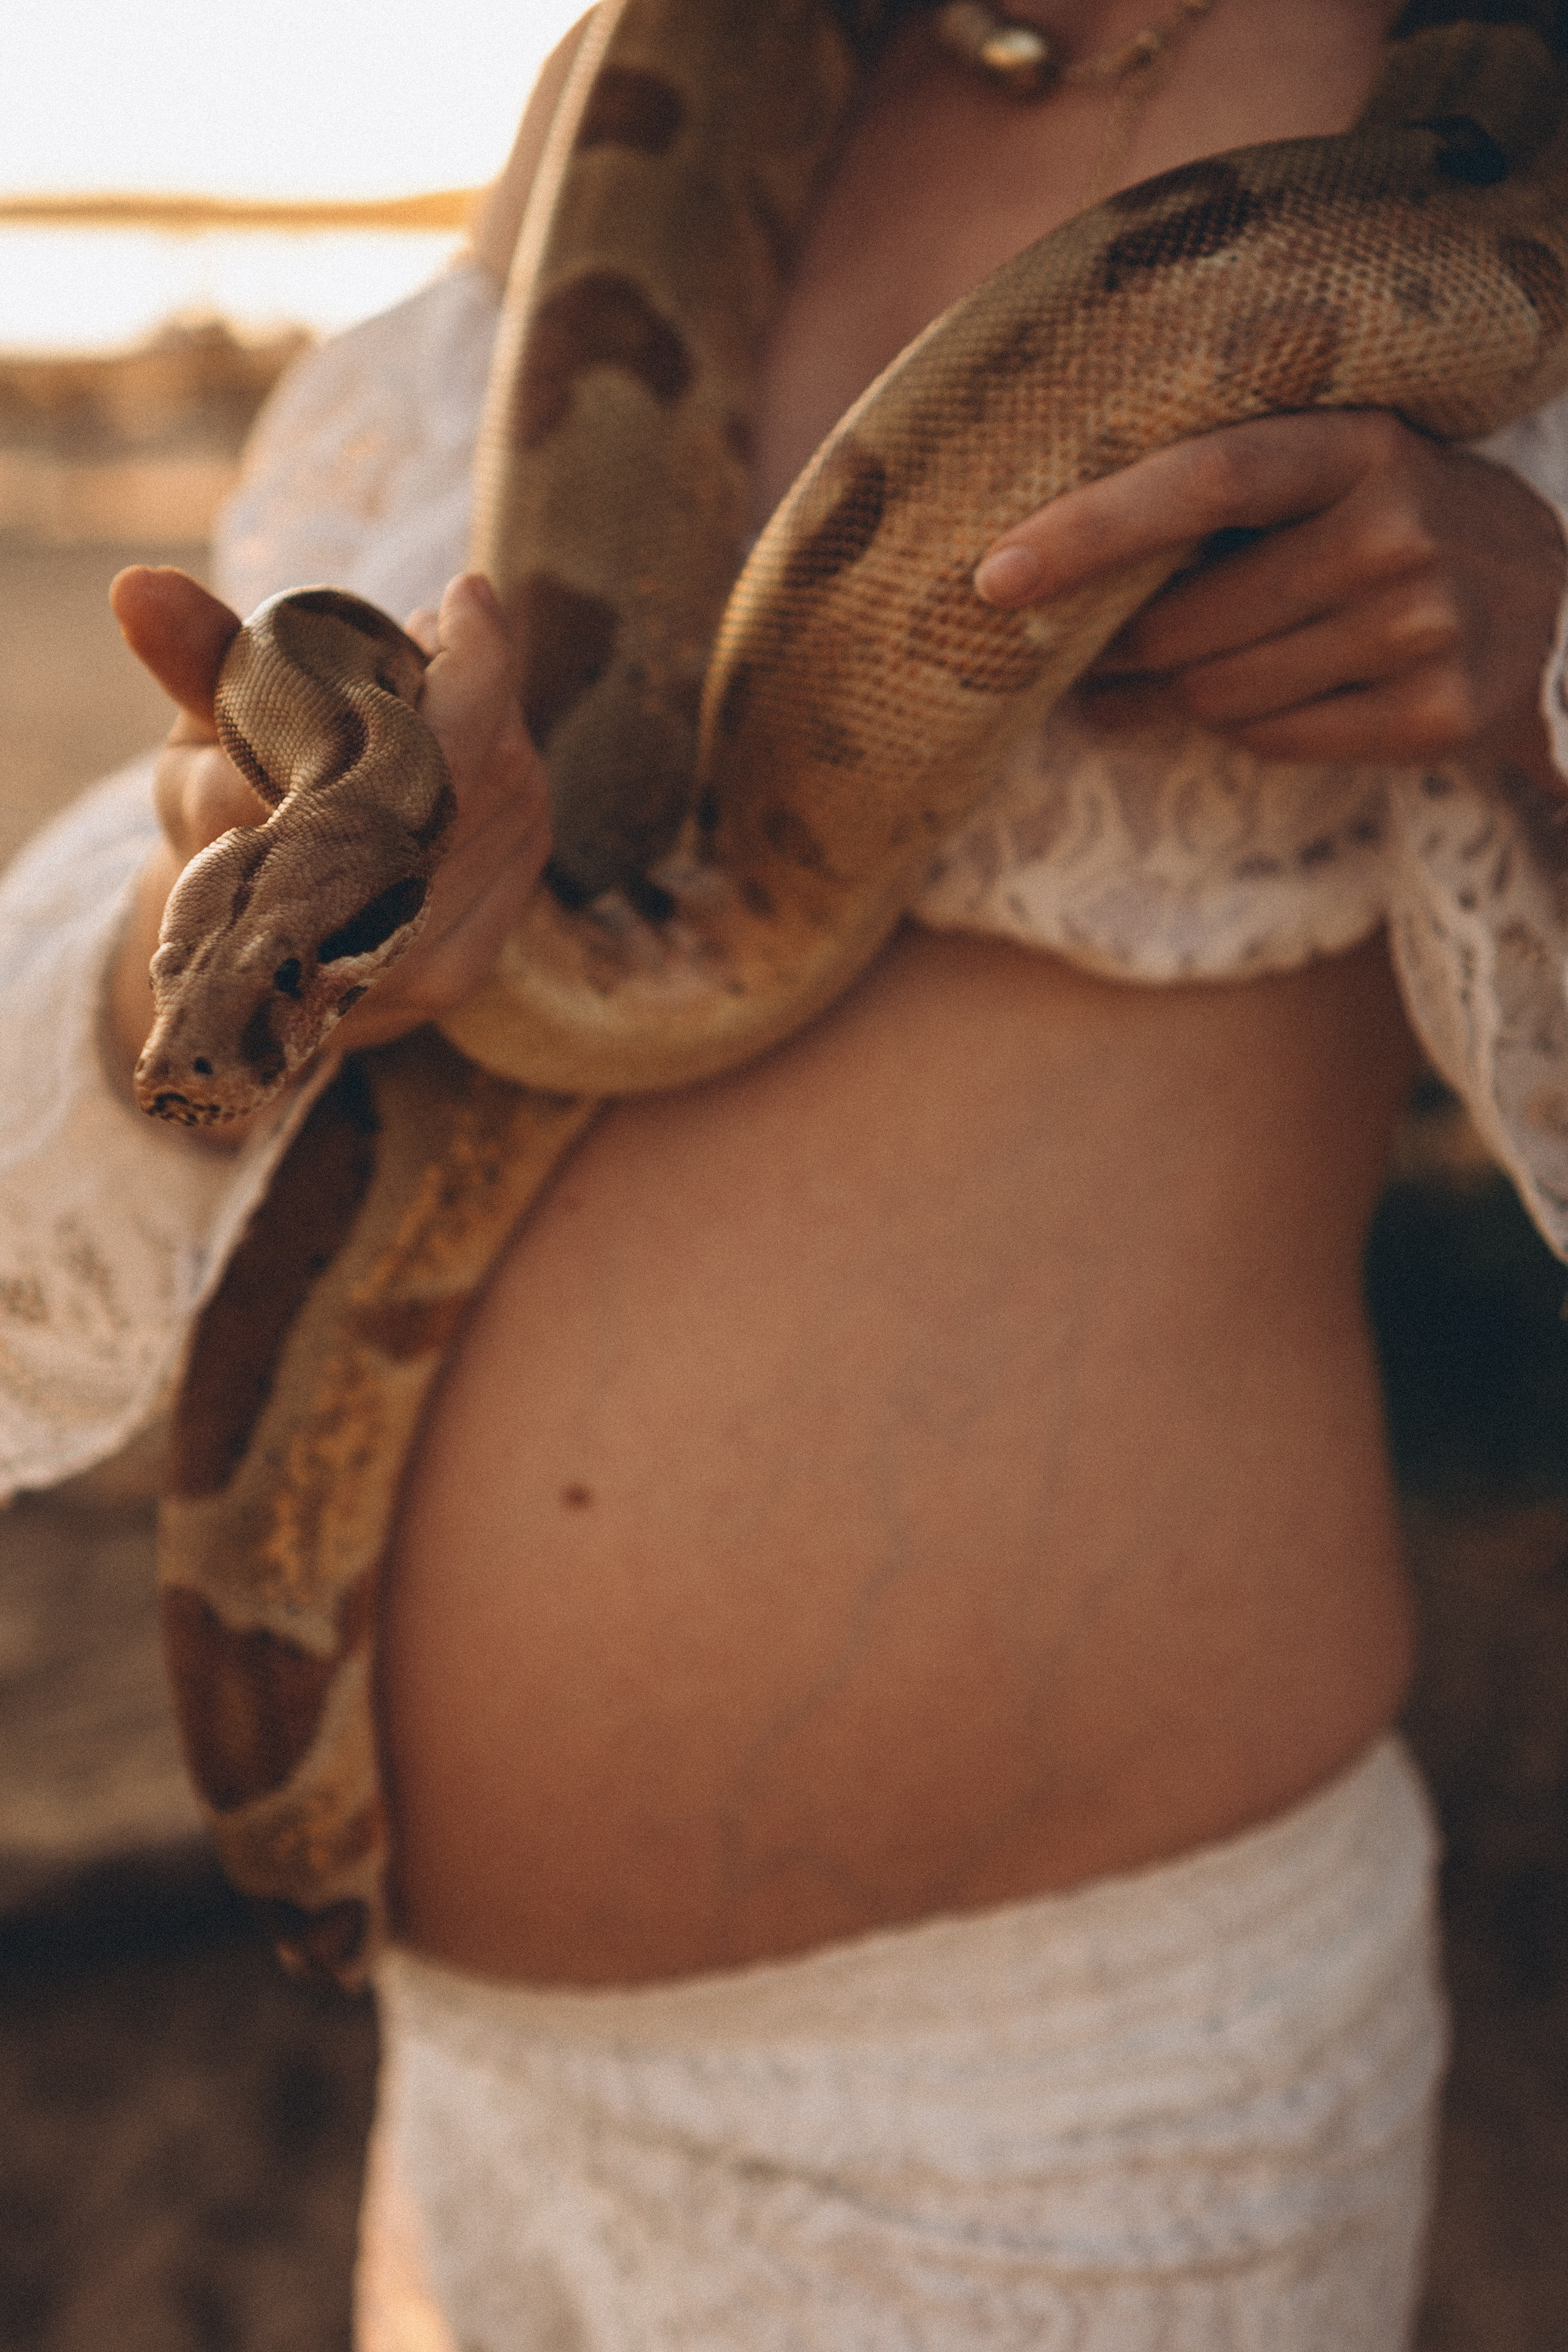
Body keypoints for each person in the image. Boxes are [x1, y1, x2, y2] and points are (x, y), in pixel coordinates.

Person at [5, 1, 1568, 2343]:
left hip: (1069, 2126)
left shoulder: (1476, 123)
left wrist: (1548, 659)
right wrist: (243, 889)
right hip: (489, 2101)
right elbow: (232, 902)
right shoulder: (649, 79)